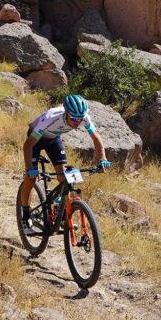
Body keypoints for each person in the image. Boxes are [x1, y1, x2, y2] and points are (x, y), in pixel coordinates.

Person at [19, 94, 110, 236]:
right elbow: (28, 145)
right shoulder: (50, 117)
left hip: (54, 138)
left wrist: (102, 159)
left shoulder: (83, 117)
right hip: (36, 139)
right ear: (66, 113)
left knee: (64, 177)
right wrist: (29, 168)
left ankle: (60, 213)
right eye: (73, 118)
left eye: (79, 119)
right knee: (30, 179)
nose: (77, 122)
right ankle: (25, 216)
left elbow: (96, 138)